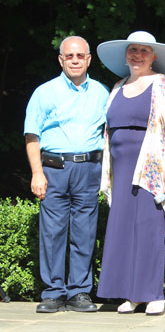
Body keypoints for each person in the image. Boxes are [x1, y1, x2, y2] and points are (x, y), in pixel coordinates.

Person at [96, 31, 165, 316]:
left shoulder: (163, 85)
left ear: (153, 57)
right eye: (133, 50)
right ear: (126, 55)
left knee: (149, 230)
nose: (137, 55)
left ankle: (152, 294)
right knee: (123, 230)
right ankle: (131, 294)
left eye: (144, 51)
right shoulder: (117, 86)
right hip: (121, 170)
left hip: (151, 168)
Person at [24, 35, 109, 313]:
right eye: (69, 56)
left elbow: (109, 135)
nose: (74, 60)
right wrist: (37, 173)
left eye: (79, 56)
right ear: (61, 59)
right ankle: (53, 293)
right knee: (52, 232)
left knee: (84, 233)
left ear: (88, 59)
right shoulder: (44, 92)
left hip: (89, 169)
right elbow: (32, 135)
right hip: (53, 169)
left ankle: (79, 292)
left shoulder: (102, 93)